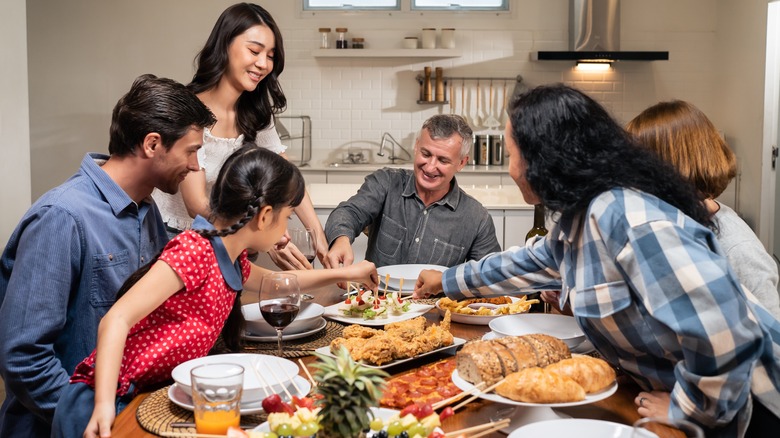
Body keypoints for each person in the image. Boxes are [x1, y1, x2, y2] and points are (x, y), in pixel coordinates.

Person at [414, 84, 780, 437]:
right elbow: (523, 263)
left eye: (512, 156)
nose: (511, 170)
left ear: (542, 160)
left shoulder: (626, 217)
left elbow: (723, 333)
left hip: (753, 413)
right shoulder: (583, 215)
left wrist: (689, 407)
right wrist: (445, 282)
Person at [51, 146, 379, 438]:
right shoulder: (195, 250)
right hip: (105, 405)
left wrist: (349, 272)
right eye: (287, 217)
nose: (287, 228)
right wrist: (104, 404)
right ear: (265, 216)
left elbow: (279, 282)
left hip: (150, 394)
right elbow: (116, 319)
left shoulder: (230, 258)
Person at [0, 74, 216, 438]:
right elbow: (24, 358)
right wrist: (100, 418)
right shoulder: (62, 217)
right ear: (152, 144)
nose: (196, 166)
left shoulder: (146, 212)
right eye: (191, 150)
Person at [152, 2, 328, 270]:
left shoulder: (255, 113)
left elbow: (287, 175)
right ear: (224, 45)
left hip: (231, 240)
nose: (263, 63)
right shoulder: (188, 110)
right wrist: (263, 231)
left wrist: (316, 233)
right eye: (255, 51)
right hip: (177, 240)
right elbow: (195, 204)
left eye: (270, 55)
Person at [626, 100, 780, 319]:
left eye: (638, 163)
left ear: (672, 166)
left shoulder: (736, 248)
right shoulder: (676, 223)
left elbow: (771, 345)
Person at [324, 114, 501, 269]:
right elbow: (348, 213)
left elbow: (490, 275)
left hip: (437, 307)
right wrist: (341, 239)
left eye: (443, 160)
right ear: (416, 146)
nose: (430, 167)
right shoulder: (386, 182)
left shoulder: (477, 218)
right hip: (378, 303)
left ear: (462, 163)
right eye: (425, 154)